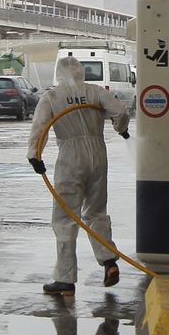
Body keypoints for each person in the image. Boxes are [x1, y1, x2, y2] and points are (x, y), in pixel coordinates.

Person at [28, 55, 130, 295]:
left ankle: (65, 280)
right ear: (82, 72)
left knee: (65, 217)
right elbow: (120, 110)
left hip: (70, 157)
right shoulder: (95, 92)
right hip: (97, 154)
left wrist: (35, 156)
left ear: (59, 73)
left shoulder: (52, 96)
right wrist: (121, 129)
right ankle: (109, 262)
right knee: (96, 211)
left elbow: (39, 128)